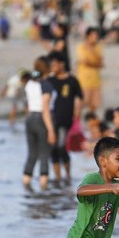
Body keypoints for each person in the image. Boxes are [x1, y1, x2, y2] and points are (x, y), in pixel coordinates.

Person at [47, 52, 83, 186]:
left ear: (62, 64)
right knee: (53, 149)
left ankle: (67, 175)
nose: (53, 67)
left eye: (55, 64)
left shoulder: (72, 80)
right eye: (51, 64)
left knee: (62, 147)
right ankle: (57, 177)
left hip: (66, 120)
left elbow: (79, 98)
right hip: (52, 120)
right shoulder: (50, 80)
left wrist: (77, 116)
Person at [22, 56, 55, 191]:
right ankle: (43, 189)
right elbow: (45, 109)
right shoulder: (46, 85)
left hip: (30, 118)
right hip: (41, 118)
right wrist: (51, 130)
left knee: (31, 154)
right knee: (44, 154)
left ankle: (26, 185)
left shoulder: (30, 83)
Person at [76, 27, 104, 113]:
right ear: (88, 36)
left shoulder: (98, 47)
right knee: (80, 104)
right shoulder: (81, 47)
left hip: (96, 80)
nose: (95, 39)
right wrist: (96, 64)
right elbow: (85, 62)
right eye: (93, 36)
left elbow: (100, 63)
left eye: (96, 37)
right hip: (84, 80)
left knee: (93, 105)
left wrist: (91, 50)